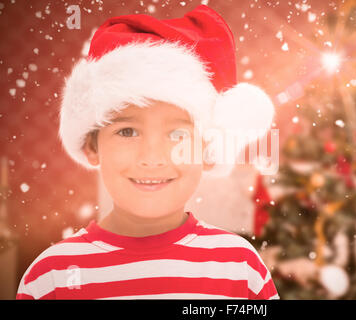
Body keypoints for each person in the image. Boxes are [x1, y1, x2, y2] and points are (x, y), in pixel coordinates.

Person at [16, 4, 278, 299]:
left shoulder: (239, 268)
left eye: (178, 134)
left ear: (207, 150)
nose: (152, 157)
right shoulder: (52, 277)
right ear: (92, 146)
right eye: (127, 131)